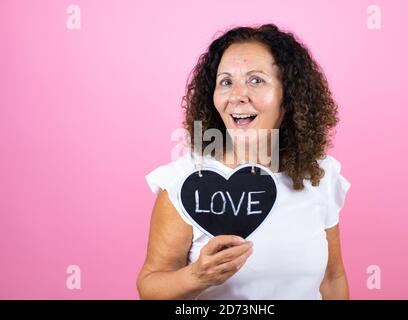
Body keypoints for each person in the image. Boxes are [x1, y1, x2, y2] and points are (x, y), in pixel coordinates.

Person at [137, 23, 351, 299]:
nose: (237, 96)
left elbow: (333, 278)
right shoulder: (184, 182)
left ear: (289, 96)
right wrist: (196, 276)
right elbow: (150, 286)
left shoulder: (319, 174)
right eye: (226, 82)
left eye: (256, 80)